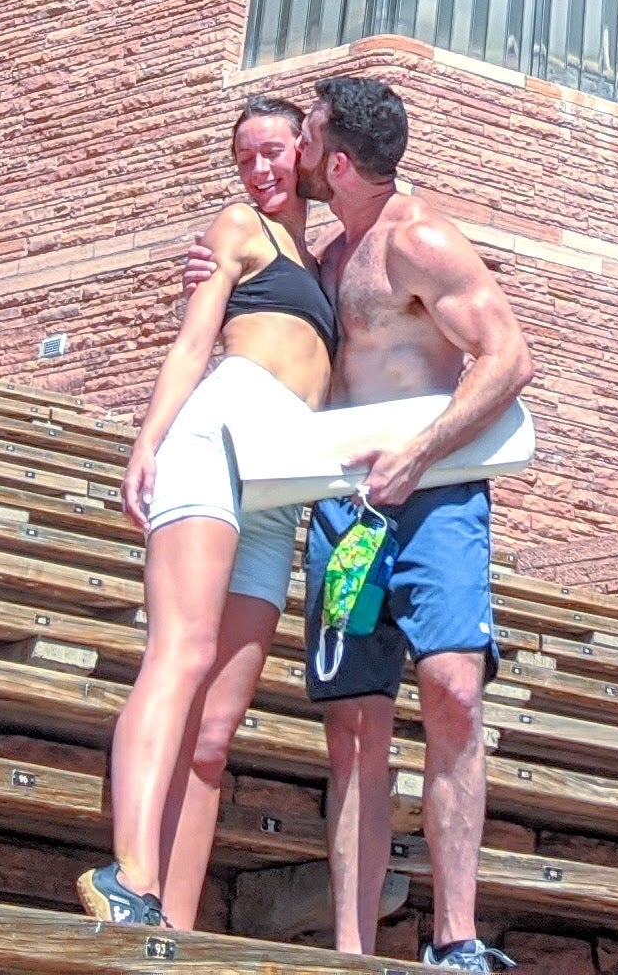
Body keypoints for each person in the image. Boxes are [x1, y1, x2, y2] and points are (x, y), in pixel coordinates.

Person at [191, 76, 532, 969]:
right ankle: (351, 949)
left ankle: (455, 940)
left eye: (303, 138)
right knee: (353, 725)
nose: (291, 151)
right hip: (345, 515)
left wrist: (417, 455)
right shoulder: (320, 257)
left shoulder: (418, 240)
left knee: (455, 687)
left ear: (337, 160)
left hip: (435, 494)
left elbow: (509, 358)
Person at [77, 99, 338, 931]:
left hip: (280, 482)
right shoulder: (238, 228)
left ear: (304, 151)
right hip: (216, 439)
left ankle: (175, 925)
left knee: (218, 729)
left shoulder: (324, 256)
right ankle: (129, 877)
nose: (259, 170)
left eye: (271, 152)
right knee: (179, 653)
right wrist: (146, 442)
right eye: (245, 157)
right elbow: (195, 341)